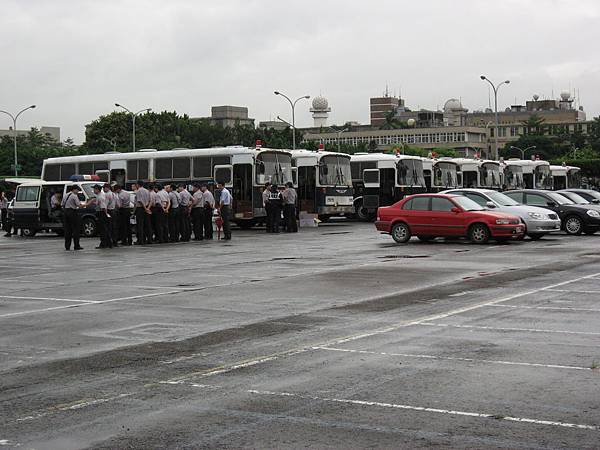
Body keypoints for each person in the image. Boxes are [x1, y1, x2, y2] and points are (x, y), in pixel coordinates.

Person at [88, 184, 111, 249]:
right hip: (102, 212)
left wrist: (106, 215)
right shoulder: (100, 195)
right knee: (104, 229)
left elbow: (103, 207)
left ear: (97, 189)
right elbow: (98, 203)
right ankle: (108, 243)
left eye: (94, 189)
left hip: (102, 213)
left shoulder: (101, 196)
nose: (93, 190)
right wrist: (93, 201)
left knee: (103, 229)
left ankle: (104, 244)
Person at [61, 185, 84, 251]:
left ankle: (67, 246)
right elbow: (79, 205)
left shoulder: (66, 195)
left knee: (67, 230)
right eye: (77, 190)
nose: (77, 192)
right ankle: (76, 246)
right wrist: (87, 204)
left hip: (65, 212)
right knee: (75, 230)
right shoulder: (74, 196)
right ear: (74, 189)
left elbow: (62, 204)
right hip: (72, 212)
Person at [133, 180, 152, 245]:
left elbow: (140, 201)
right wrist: (148, 208)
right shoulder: (147, 191)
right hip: (147, 207)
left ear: (138, 185)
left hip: (141, 209)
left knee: (140, 225)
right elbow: (150, 201)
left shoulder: (138, 191)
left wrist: (145, 208)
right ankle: (149, 239)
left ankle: (141, 240)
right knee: (147, 225)